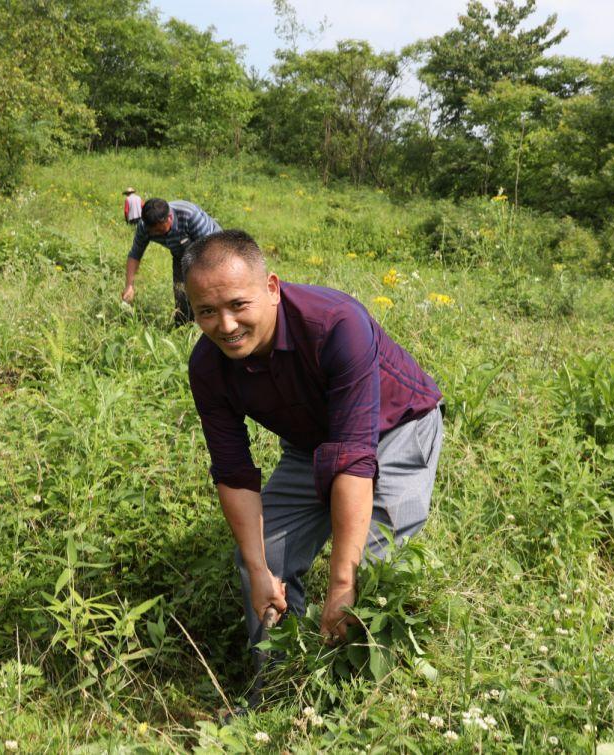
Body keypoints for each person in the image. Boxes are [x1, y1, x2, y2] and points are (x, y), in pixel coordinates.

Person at [183, 229, 445, 663]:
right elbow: (233, 472)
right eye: (207, 311)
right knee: (262, 559)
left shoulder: (336, 324)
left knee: (374, 572)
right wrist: (258, 569)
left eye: (238, 305)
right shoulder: (208, 368)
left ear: (271, 287)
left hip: (396, 427)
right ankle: (281, 684)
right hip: (313, 442)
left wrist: (341, 582)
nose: (225, 326)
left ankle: (358, 699)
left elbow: (354, 457)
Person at [122, 198, 221, 326]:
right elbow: (135, 254)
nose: (157, 234)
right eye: (154, 232)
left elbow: (209, 251)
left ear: (169, 218)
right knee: (181, 292)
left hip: (213, 250)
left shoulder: (189, 215)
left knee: (208, 291)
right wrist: (129, 285)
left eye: (160, 231)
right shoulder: (145, 227)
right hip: (181, 253)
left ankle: (212, 325)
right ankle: (183, 328)